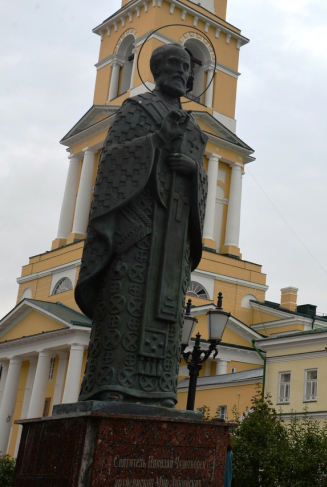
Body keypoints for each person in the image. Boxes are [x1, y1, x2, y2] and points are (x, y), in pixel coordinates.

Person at [75, 43, 208, 407]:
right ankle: (111, 383)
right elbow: (113, 162)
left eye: (186, 66)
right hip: (138, 229)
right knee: (125, 303)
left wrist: (193, 170)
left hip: (175, 234)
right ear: (157, 69)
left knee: (166, 314)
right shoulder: (137, 110)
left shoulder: (196, 130)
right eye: (174, 65)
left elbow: (203, 183)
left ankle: (161, 388)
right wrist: (158, 140)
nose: (182, 72)